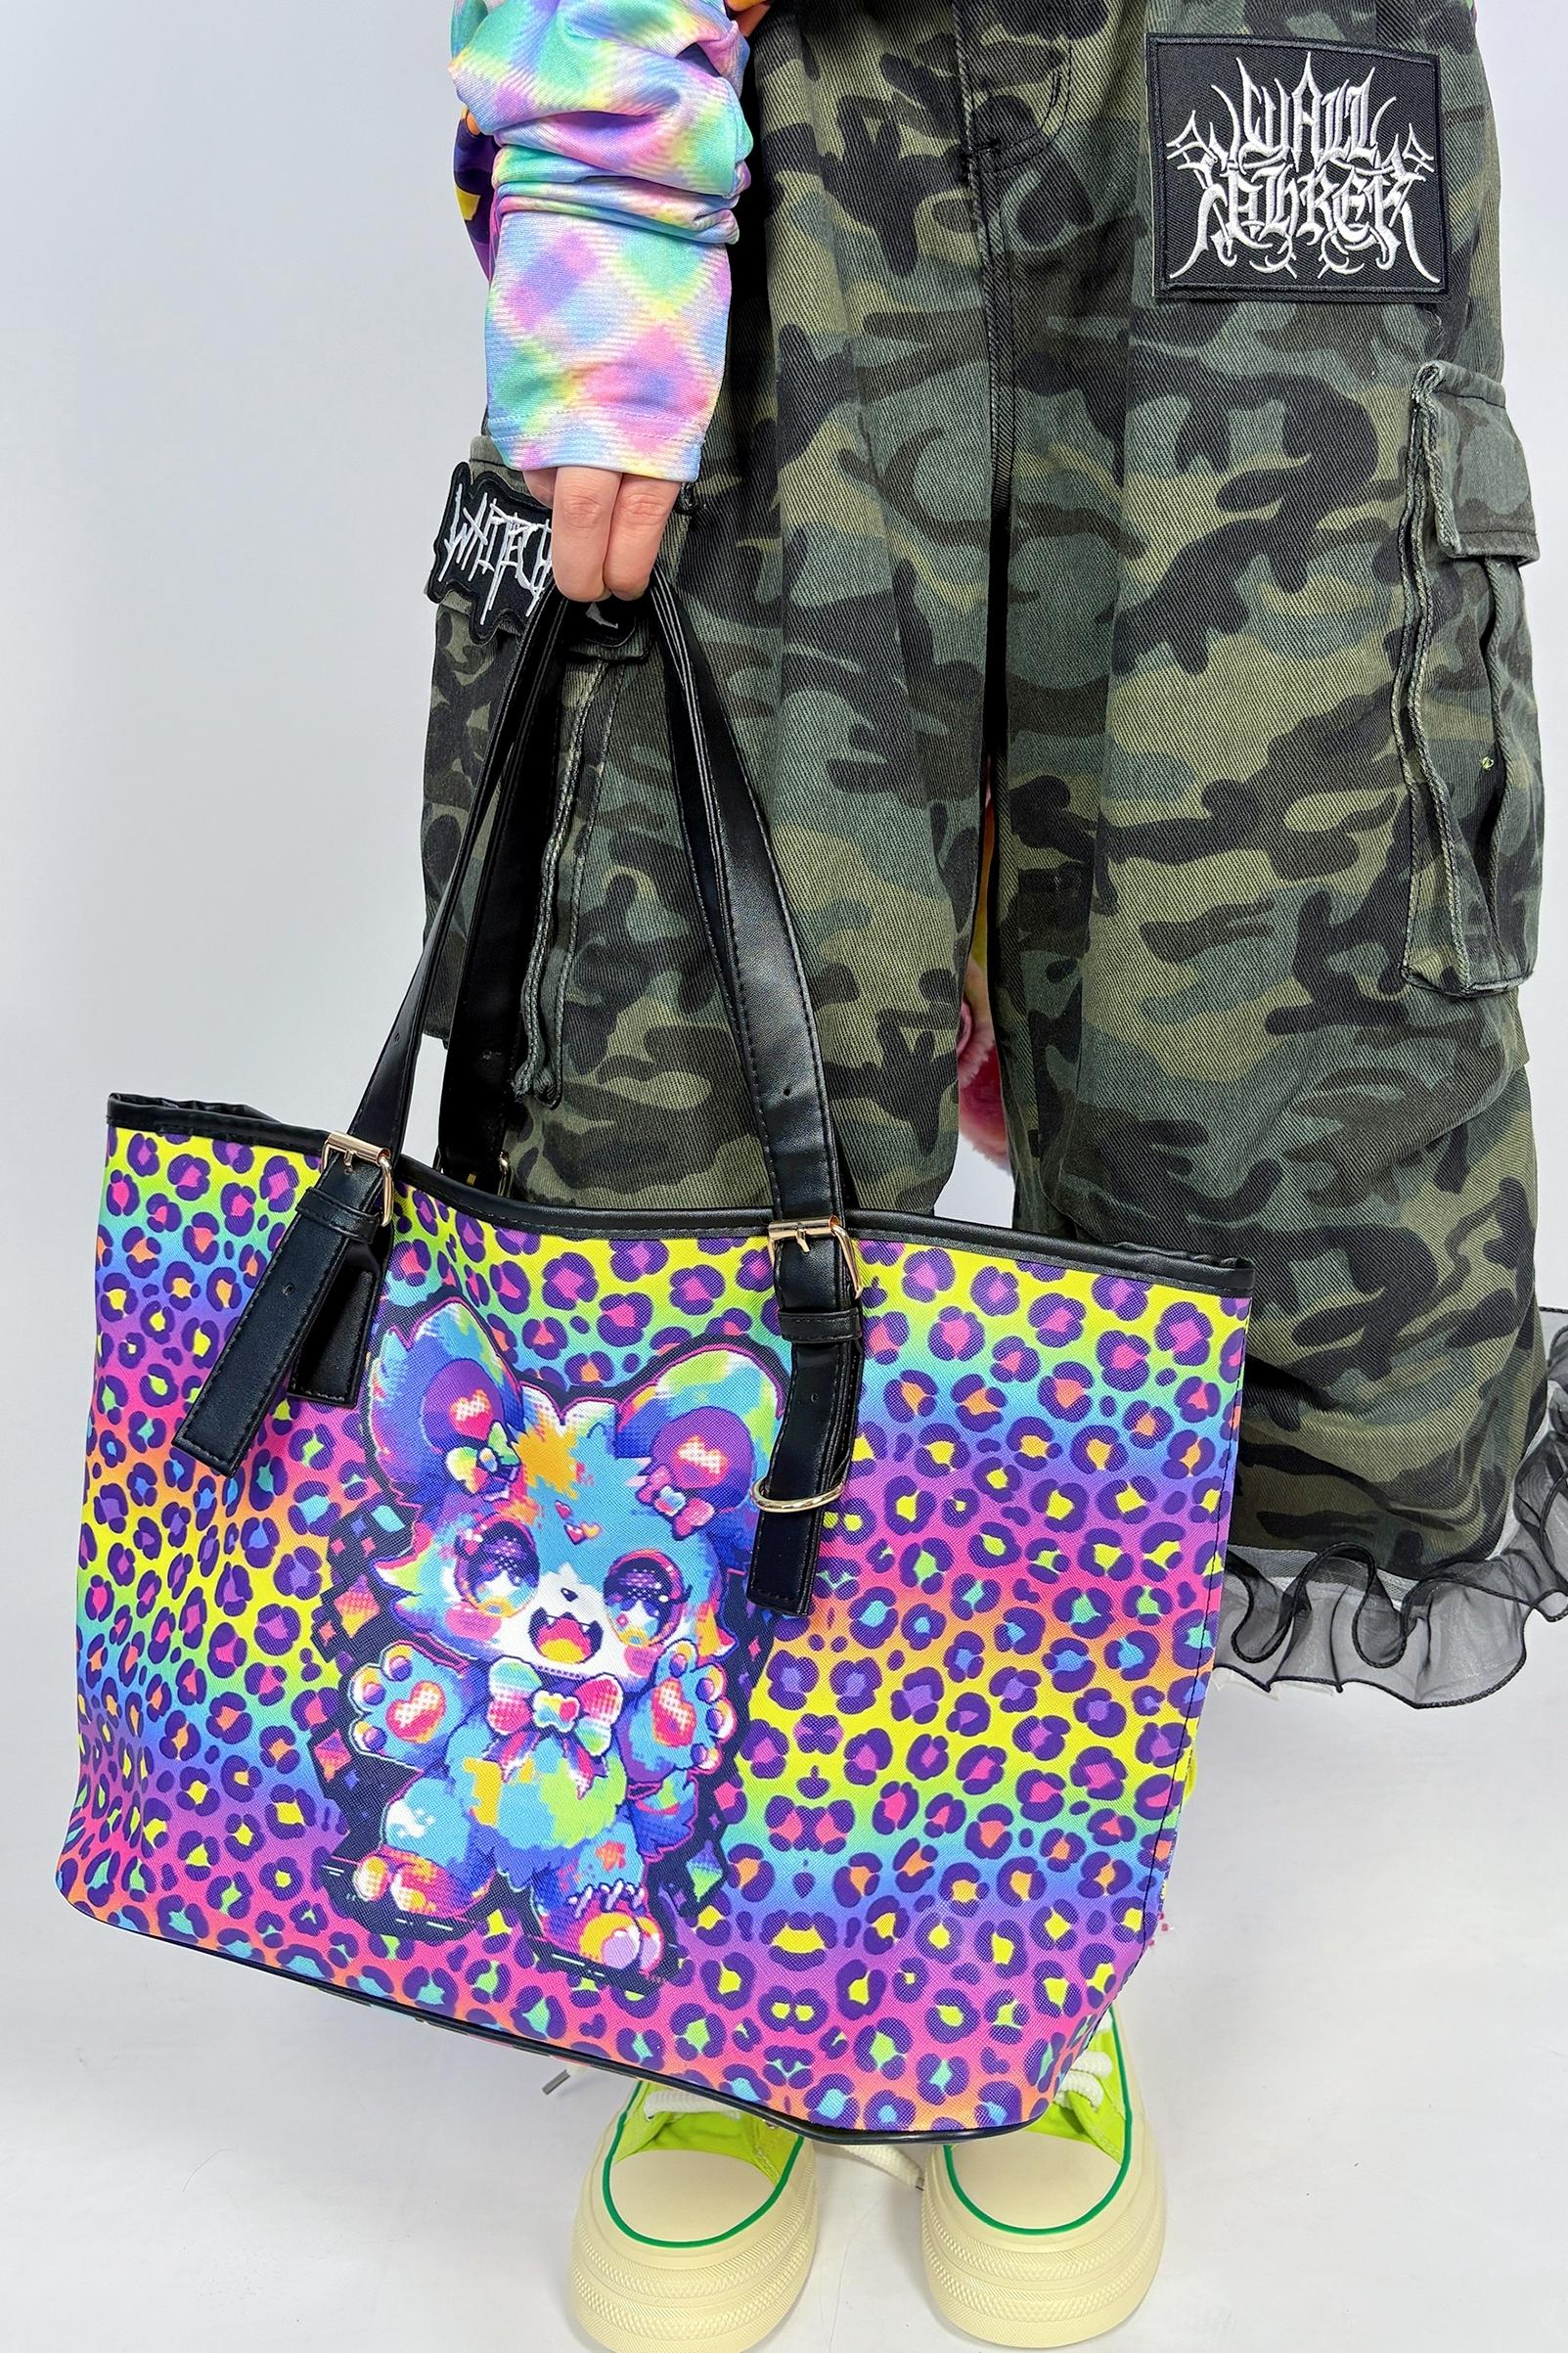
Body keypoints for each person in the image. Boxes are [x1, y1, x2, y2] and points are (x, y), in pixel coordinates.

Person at [426, 4, 1565, 2345]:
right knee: (678, 1041)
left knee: (1250, 1040)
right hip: (778, 108)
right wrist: (606, 173)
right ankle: (712, 1933)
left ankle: (1013, 1904)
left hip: (1252, 76)